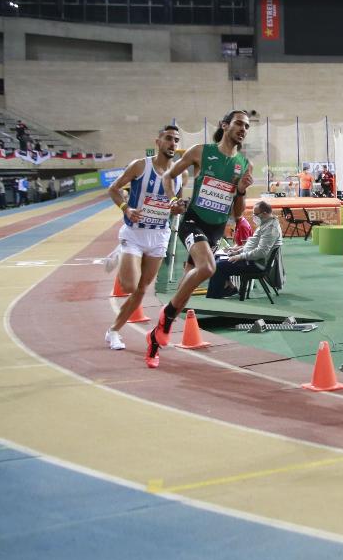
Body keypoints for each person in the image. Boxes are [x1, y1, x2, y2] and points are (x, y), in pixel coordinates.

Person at [150, 110, 253, 369]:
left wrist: (240, 191)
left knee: (184, 291)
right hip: (193, 221)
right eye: (239, 123)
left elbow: (237, 214)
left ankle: (154, 340)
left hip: (216, 230)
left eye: (247, 126)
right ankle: (166, 317)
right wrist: (173, 200)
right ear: (225, 125)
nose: (244, 129)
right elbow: (167, 176)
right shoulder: (200, 151)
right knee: (208, 267)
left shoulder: (244, 164)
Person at [103, 126, 186, 351]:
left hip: (159, 235)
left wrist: (177, 209)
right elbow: (113, 189)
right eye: (168, 138)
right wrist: (125, 208)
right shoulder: (140, 166)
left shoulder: (181, 173)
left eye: (176, 140)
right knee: (129, 285)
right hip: (135, 233)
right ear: (157, 142)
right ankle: (121, 252)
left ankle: (113, 332)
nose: (173, 143)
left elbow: (174, 205)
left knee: (141, 290)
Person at [206, 200, 281, 299]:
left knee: (219, 265)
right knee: (218, 260)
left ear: (265, 213)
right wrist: (237, 251)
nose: (254, 216)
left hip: (256, 264)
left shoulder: (271, 228)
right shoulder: (265, 223)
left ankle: (214, 296)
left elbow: (261, 252)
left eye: (256, 214)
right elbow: (251, 244)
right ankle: (227, 288)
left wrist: (240, 256)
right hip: (251, 259)